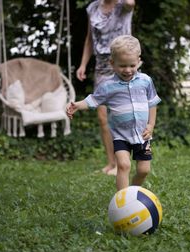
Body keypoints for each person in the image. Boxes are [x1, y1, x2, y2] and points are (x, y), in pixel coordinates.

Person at [67, 35, 161, 191]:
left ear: (138, 61)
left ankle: (133, 191)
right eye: (122, 65)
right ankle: (122, 201)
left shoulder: (145, 81)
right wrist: (77, 105)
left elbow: (152, 103)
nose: (128, 70)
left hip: (142, 134)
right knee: (123, 165)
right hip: (120, 135)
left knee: (144, 170)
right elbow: (93, 100)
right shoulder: (108, 86)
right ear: (112, 63)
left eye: (132, 65)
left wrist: (151, 125)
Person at [76, 0, 135, 176]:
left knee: (119, 115)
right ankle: (111, 162)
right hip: (102, 66)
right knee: (102, 117)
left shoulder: (123, 5)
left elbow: (131, 3)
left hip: (124, 66)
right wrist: (83, 65)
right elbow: (89, 38)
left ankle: (121, 162)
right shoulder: (93, 8)